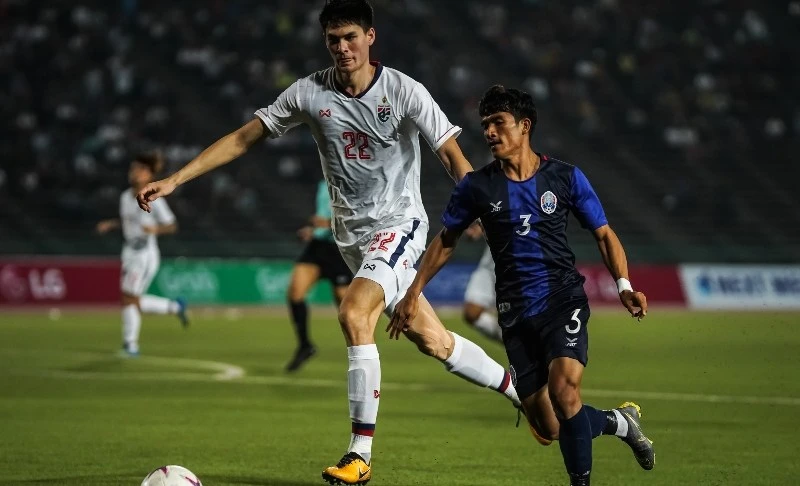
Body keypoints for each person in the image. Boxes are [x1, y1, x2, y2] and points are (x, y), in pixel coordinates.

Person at [135, 2, 520, 484]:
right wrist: (175, 179)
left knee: (353, 313)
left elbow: (450, 155)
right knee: (434, 341)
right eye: (333, 39)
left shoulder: (404, 91)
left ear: (370, 36)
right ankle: (521, 390)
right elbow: (243, 138)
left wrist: (480, 209)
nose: (342, 47)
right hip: (351, 239)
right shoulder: (308, 93)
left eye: (350, 37)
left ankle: (359, 455)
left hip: (399, 225)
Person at [389, 85, 655, 486]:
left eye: (498, 123)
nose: (489, 132)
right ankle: (620, 422)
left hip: (562, 299)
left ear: (524, 125)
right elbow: (446, 240)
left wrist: (623, 284)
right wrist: (412, 293)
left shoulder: (565, 177)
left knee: (565, 392)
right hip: (514, 313)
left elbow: (603, 233)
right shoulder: (476, 187)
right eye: (485, 125)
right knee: (550, 425)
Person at [96, 152, 189, 357]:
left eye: (140, 169)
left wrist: (155, 229)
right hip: (129, 250)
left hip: (144, 253)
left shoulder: (154, 198)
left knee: (129, 297)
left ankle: (131, 345)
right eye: (133, 168)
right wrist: (111, 224)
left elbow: (171, 225)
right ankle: (174, 307)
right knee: (130, 298)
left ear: (149, 174)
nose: (134, 172)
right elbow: (128, 221)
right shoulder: (125, 197)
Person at [286, 179, 353, 372]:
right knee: (295, 293)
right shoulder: (323, 184)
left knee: (346, 308)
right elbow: (322, 214)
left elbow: (357, 217)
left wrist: (329, 224)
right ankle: (305, 345)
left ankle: (359, 349)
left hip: (339, 249)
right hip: (318, 246)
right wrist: (312, 229)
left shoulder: (352, 181)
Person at [462, 225, 502, 342]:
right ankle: (511, 342)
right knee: (471, 314)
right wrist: (478, 227)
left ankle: (519, 347)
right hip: (489, 266)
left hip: (518, 269)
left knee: (512, 318)